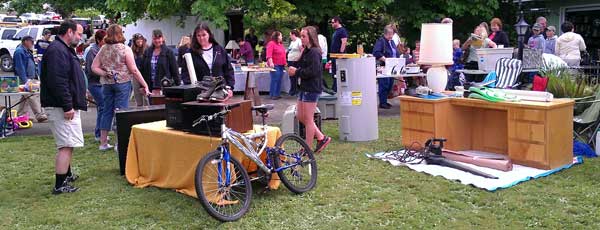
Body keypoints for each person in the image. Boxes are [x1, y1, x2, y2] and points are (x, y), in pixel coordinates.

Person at [40, 20, 85, 194]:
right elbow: (58, 81)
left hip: (64, 105)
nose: (80, 38)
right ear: (69, 32)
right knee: (66, 144)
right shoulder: (57, 51)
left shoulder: (63, 49)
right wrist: (67, 106)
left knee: (69, 142)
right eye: (79, 34)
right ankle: (60, 185)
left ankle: (67, 174)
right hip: (60, 106)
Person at [91, 24, 150, 151]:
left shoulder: (103, 49)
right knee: (121, 112)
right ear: (120, 34)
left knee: (107, 111)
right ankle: (119, 143)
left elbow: (94, 67)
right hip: (123, 83)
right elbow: (133, 69)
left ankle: (103, 142)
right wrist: (144, 84)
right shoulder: (125, 49)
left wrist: (105, 73)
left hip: (107, 84)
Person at [288, 26, 331, 153]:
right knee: (300, 116)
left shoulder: (315, 52)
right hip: (304, 87)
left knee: (308, 119)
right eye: (301, 36)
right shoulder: (306, 51)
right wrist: (300, 55)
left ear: (311, 37)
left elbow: (313, 71)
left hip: (311, 88)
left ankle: (306, 148)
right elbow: (298, 64)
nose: (301, 39)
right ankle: (321, 137)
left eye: (303, 36)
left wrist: (296, 72)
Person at [182, 23, 234, 101]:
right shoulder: (191, 53)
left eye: (204, 35)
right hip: (200, 94)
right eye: (198, 36)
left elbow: (228, 70)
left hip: (220, 93)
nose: (201, 38)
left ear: (209, 35)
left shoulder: (219, 50)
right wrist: (194, 89)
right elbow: (185, 73)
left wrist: (230, 87)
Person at [14, 36, 47, 122]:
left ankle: (21, 115)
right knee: (33, 96)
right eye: (31, 42)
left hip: (32, 77)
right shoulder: (19, 52)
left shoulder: (28, 51)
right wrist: (25, 80)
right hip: (26, 79)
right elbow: (19, 67)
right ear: (25, 41)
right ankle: (40, 115)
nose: (33, 44)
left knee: (26, 97)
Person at [140, 29, 181, 95]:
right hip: (149, 87)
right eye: (155, 38)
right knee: (151, 105)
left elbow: (175, 70)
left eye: (159, 38)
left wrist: (178, 86)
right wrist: (142, 86)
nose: (157, 41)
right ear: (152, 39)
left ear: (163, 38)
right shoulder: (147, 52)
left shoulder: (168, 52)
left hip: (164, 86)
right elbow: (143, 70)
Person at [84, 29, 107, 141]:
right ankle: (99, 134)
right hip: (94, 83)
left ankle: (100, 133)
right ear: (98, 40)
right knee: (103, 106)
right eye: (104, 40)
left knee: (101, 107)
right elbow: (91, 69)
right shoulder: (92, 51)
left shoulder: (104, 50)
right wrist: (104, 71)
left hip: (102, 83)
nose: (106, 42)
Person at [372, 25, 399, 109]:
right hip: (383, 67)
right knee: (384, 84)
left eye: (392, 33)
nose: (392, 35)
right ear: (386, 33)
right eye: (390, 33)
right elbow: (376, 53)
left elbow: (395, 53)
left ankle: (385, 101)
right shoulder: (381, 41)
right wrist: (386, 60)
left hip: (392, 67)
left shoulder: (392, 42)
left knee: (390, 84)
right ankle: (382, 103)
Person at [329, 16, 348, 92]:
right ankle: (334, 88)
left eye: (333, 22)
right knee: (334, 72)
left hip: (338, 56)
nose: (332, 24)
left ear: (337, 22)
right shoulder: (336, 31)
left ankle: (337, 89)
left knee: (338, 72)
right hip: (334, 55)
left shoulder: (342, 31)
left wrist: (341, 54)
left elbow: (344, 42)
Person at [266, 30, 286, 100]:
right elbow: (269, 54)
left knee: (279, 79)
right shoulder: (271, 43)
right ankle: (273, 94)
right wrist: (271, 62)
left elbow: (283, 54)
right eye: (281, 35)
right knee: (275, 79)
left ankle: (277, 94)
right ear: (277, 36)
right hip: (275, 65)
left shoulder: (280, 44)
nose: (282, 37)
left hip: (281, 65)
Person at [131, 33, 150, 104]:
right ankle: (139, 108)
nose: (139, 43)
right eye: (137, 41)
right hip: (136, 73)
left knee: (146, 94)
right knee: (137, 92)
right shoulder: (132, 50)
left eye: (141, 41)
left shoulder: (147, 49)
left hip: (145, 73)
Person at [287, 29, 302, 96]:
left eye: (290, 35)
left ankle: (295, 90)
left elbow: (302, 50)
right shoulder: (292, 42)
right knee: (291, 76)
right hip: (290, 60)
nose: (290, 37)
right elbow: (289, 50)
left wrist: (299, 58)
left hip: (295, 61)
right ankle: (292, 89)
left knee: (295, 75)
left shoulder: (299, 41)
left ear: (293, 35)